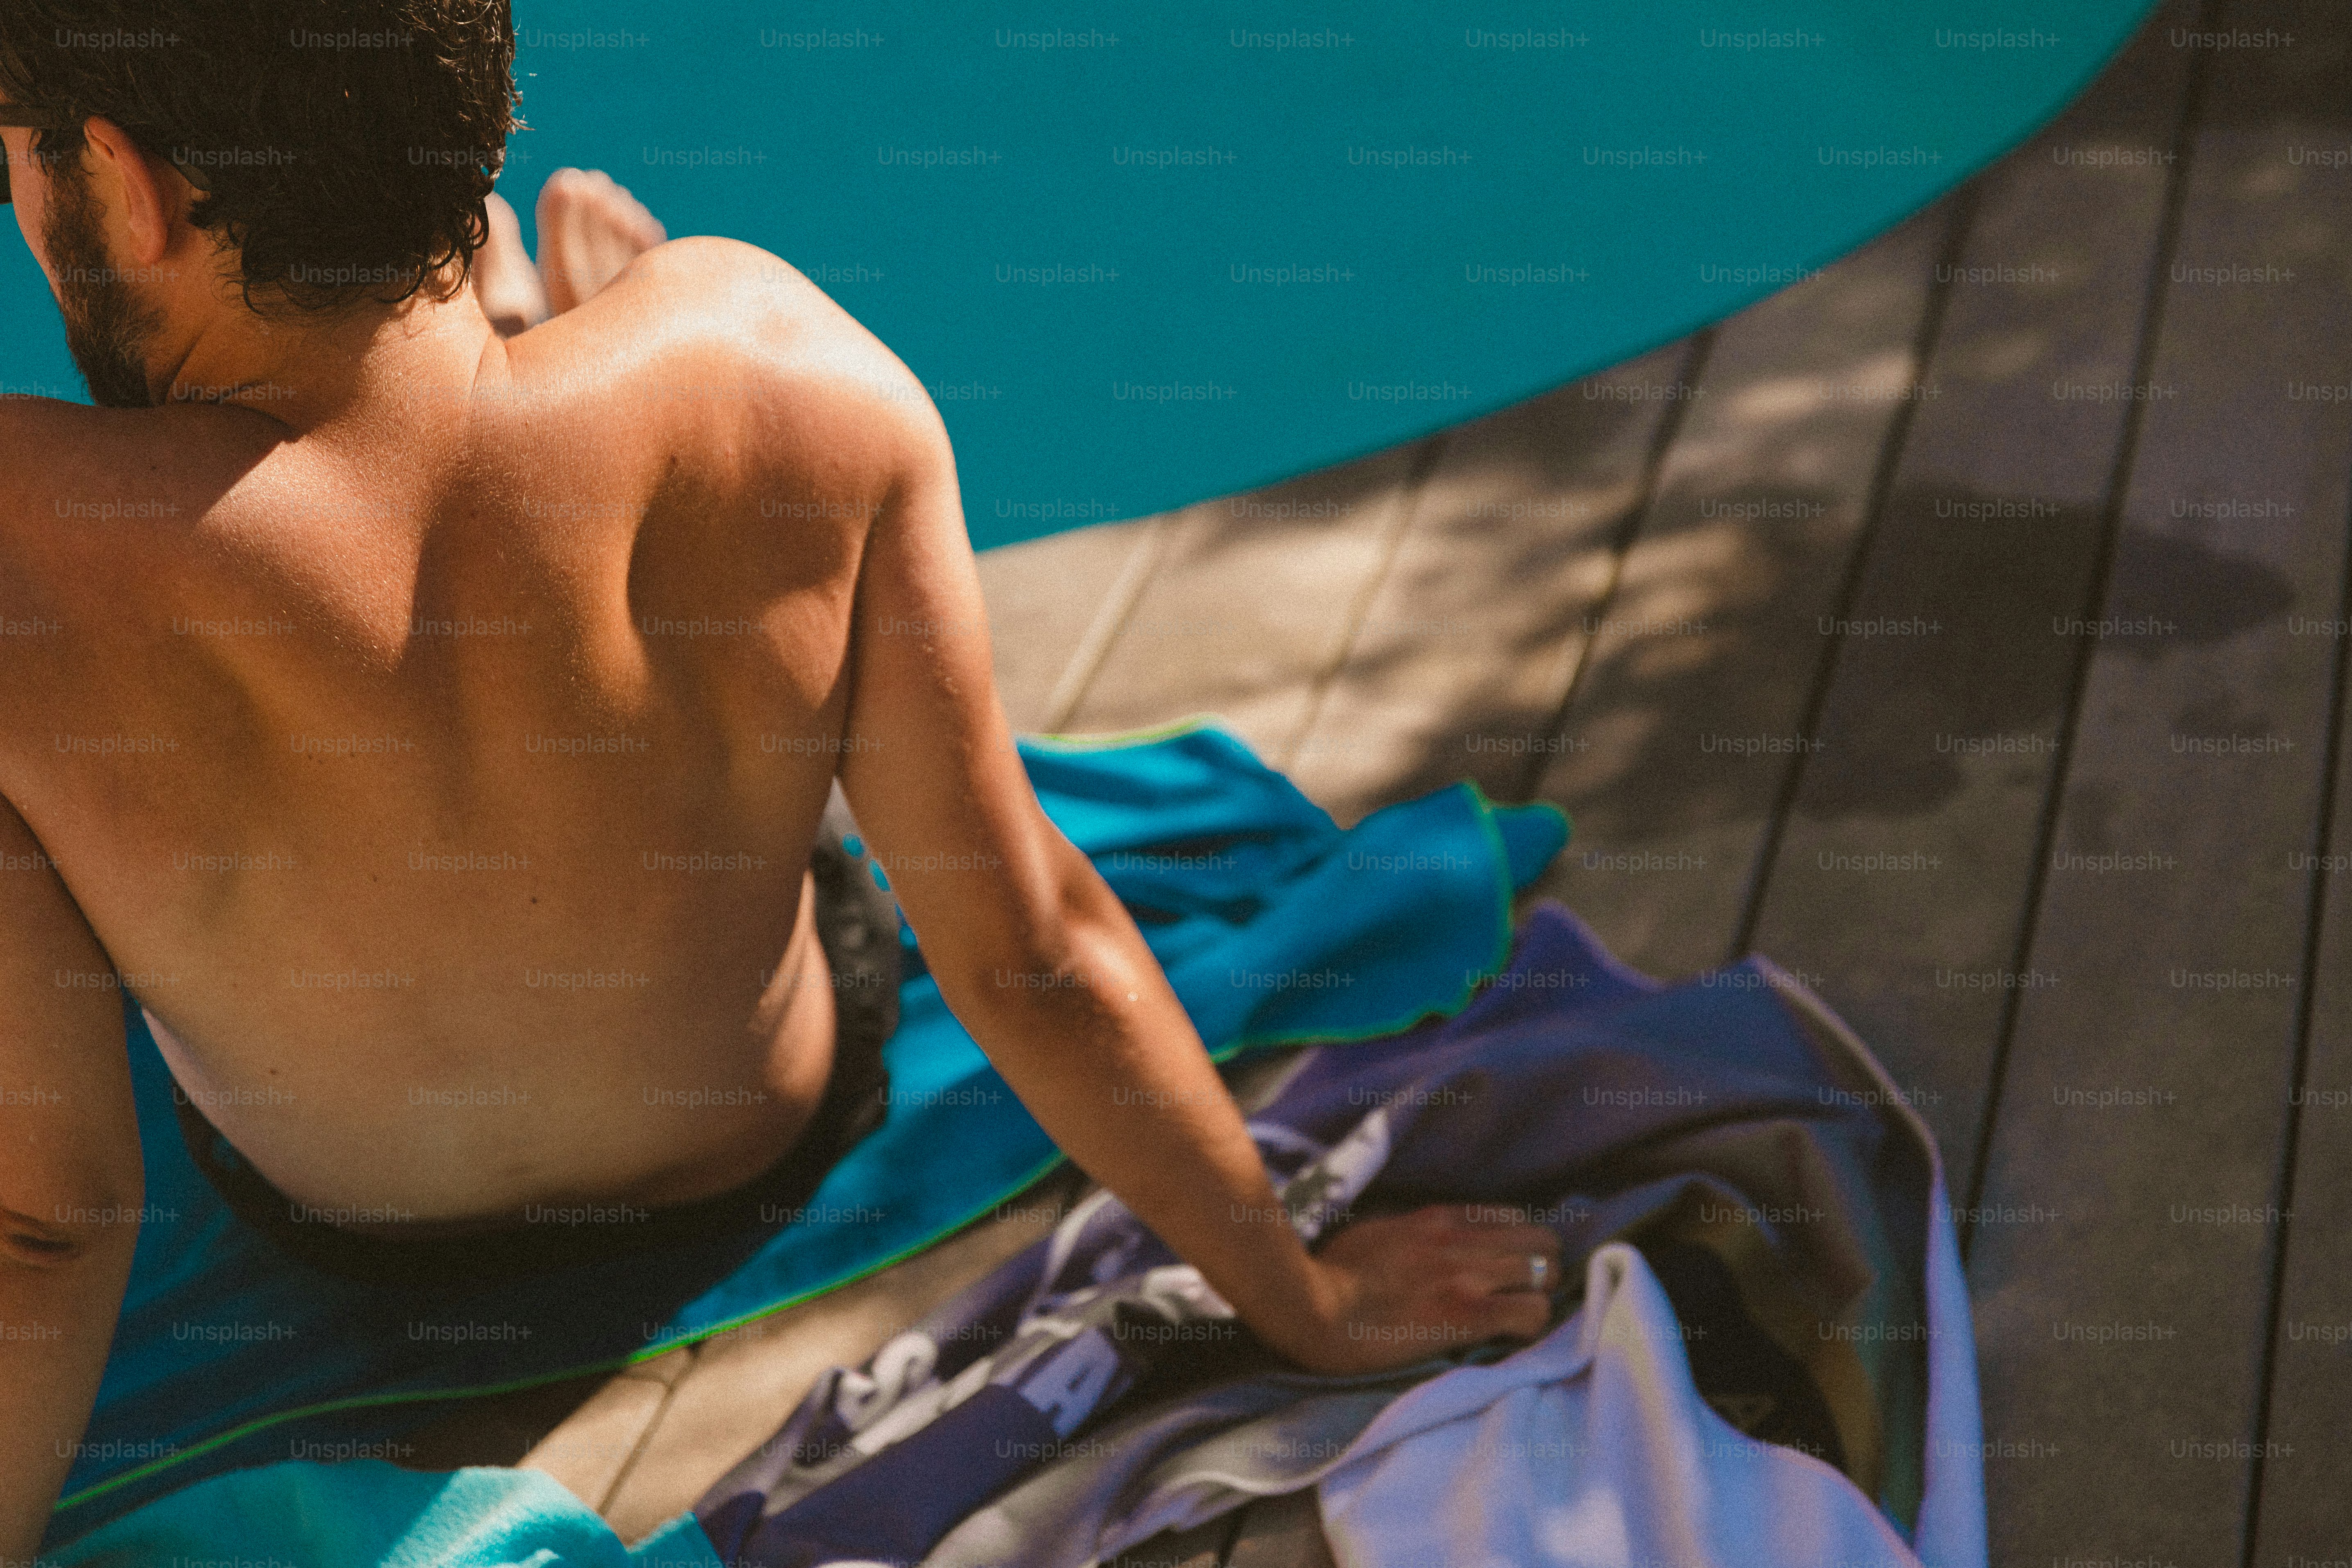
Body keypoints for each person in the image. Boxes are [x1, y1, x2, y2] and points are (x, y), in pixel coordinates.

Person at [0, 4, 1563, 1554]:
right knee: (706, 638)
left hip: (352, 1220)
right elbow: (1026, 950)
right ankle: (544, 350)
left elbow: (51, 1223)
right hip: (748, 1133)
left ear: (130, 187)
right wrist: (1313, 1295)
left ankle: (525, 355)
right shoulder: (784, 357)